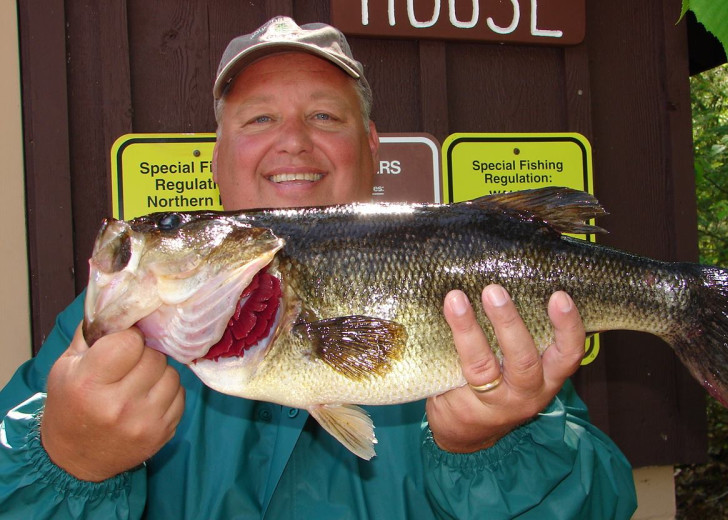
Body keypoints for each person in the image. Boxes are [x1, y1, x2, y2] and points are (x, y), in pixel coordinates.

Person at [0, 16, 637, 518]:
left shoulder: (484, 297)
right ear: (217, 158)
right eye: (260, 118)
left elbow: (600, 504)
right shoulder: (110, 335)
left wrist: (501, 443)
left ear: (372, 147)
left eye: (325, 116)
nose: (294, 140)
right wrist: (67, 458)